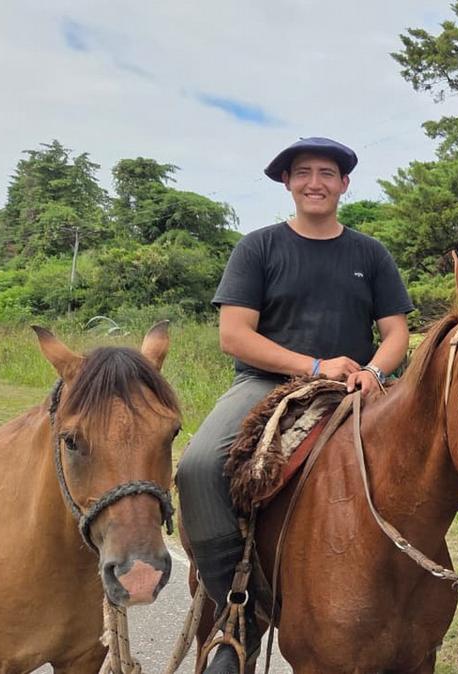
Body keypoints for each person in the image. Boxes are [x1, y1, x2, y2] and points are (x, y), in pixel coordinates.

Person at [175, 137, 413, 673]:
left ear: (344, 184)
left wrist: (375, 372)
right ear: (287, 183)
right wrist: (311, 366)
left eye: (327, 173)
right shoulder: (258, 248)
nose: (315, 182)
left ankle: (417, 595)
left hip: (355, 388)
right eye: (302, 172)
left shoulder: (370, 253)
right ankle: (238, 613)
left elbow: (397, 332)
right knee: (197, 466)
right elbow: (234, 335)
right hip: (267, 385)